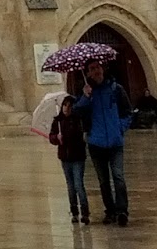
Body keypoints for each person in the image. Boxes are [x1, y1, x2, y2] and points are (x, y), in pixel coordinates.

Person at [74, 61, 132, 226]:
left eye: (98, 67)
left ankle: (122, 211)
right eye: (92, 69)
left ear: (103, 69)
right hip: (96, 143)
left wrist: (120, 128)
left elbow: (127, 112)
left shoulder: (116, 89)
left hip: (115, 142)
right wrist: (85, 97)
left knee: (118, 176)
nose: (96, 71)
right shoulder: (85, 92)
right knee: (103, 180)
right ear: (88, 73)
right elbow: (77, 112)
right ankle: (110, 211)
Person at [48, 94, 90, 225]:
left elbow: (80, 137)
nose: (67, 108)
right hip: (65, 158)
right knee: (70, 186)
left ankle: (85, 212)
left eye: (69, 105)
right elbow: (51, 137)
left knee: (78, 184)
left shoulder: (78, 120)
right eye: (65, 105)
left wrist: (67, 136)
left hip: (77, 157)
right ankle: (74, 212)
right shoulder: (58, 121)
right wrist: (57, 138)